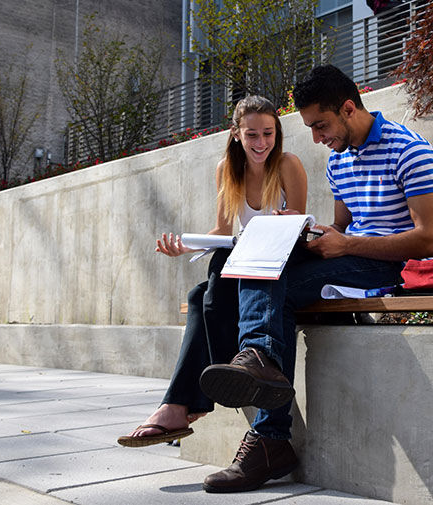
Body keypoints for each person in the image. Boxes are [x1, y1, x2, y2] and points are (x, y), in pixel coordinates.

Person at [198, 65, 433, 493]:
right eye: (310, 128)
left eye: (320, 125)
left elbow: (429, 240)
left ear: (348, 108)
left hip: (393, 265)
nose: (315, 138)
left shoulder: (410, 151)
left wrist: (346, 245)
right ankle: (262, 374)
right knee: (263, 255)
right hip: (353, 258)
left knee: (276, 286)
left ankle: (268, 423)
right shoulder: (339, 161)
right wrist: (311, 237)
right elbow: (343, 229)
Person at [116, 95, 307, 448]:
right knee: (198, 293)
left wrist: (286, 220)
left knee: (210, 284)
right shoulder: (226, 169)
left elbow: (298, 227)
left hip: (280, 261)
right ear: (236, 133)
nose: (261, 143)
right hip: (244, 261)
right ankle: (196, 395)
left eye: (268, 133)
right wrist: (188, 245)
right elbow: (222, 231)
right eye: (252, 135)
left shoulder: (287, 164)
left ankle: (182, 403)